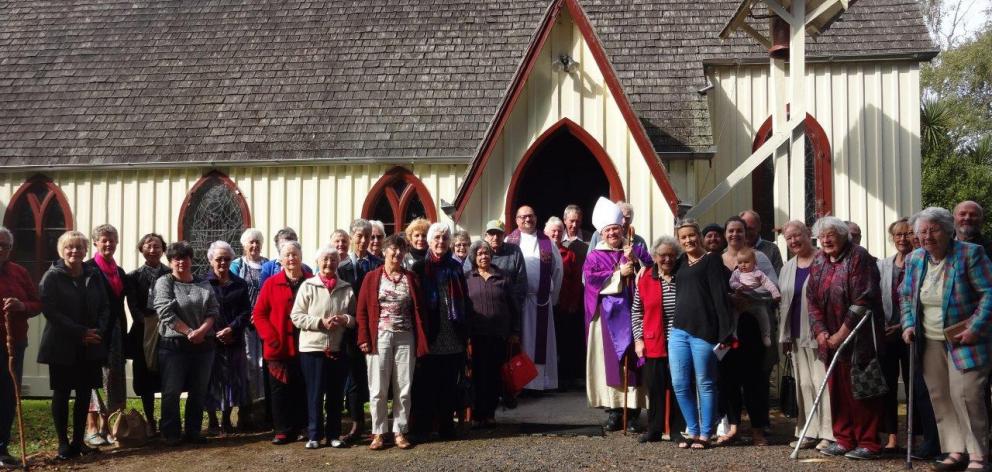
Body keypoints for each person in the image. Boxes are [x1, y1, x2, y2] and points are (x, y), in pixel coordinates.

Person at [902, 207, 992, 471]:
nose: (927, 236)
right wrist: (908, 324)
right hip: (928, 339)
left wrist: (975, 327)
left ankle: (978, 455)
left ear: (948, 230)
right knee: (940, 395)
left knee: (967, 395)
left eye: (934, 229)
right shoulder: (915, 258)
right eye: (922, 231)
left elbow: (989, 293)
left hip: (966, 339)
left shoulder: (970, 253)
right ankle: (955, 450)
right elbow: (907, 296)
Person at [807, 216, 885, 460]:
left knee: (861, 390)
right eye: (822, 236)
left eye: (831, 235)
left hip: (858, 338)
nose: (826, 240)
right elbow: (812, 299)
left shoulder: (858, 256)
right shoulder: (819, 259)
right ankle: (844, 438)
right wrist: (821, 331)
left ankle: (869, 443)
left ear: (844, 236)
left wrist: (842, 334)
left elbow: (864, 298)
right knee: (836, 390)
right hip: (829, 338)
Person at [583, 197, 652, 432]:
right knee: (610, 364)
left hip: (634, 314)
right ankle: (614, 412)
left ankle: (632, 414)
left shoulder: (637, 249)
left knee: (634, 363)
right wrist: (618, 273)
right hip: (607, 318)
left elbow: (653, 273)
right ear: (602, 234)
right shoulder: (594, 255)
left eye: (616, 229)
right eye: (608, 230)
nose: (613, 233)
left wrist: (637, 262)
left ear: (623, 229)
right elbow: (591, 281)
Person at [38, 231, 109, 460]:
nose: (74, 251)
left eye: (79, 247)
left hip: (90, 345)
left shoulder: (94, 274)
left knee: (84, 394)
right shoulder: (52, 276)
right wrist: (81, 333)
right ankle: (63, 443)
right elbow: (51, 312)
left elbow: (105, 306)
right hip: (62, 346)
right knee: (61, 394)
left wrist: (98, 330)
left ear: (86, 250)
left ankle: (79, 442)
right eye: (69, 247)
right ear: (61, 251)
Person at [357, 234, 429, 451]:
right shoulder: (372, 277)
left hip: (406, 337)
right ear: (385, 251)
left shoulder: (411, 278)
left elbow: (420, 310)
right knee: (378, 387)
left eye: (401, 251)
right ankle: (378, 433)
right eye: (393, 250)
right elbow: (361, 311)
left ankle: (399, 431)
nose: (397, 254)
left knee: (404, 387)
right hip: (380, 337)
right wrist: (363, 338)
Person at [667, 218, 733, 449]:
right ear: (679, 240)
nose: (688, 240)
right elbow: (658, 267)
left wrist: (726, 333)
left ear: (699, 236)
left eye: (691, 235)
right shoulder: (680, 262)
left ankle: (706, 433)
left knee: (705, 383)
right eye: (683, 237)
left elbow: (720, 296)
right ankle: (692, 430)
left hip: (705, 332)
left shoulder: (712, 260)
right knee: (680, 383)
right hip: (678, 332)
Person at [878, 218, 939, 456]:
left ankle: (918, 438)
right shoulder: (883, 265)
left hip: (913, 333)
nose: (903, 239)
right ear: (892, 238)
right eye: (898, 235)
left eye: (907, 234)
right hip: (887, 335)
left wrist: (903, 324)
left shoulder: (923, 262)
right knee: (888, 386)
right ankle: (893, 437)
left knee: (916, 386)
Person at [718, 216, 777, 446]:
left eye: (739, 231)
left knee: (755, 379)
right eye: (731, 230)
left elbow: (773, 288)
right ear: (725, 234)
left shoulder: (759, 257)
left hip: (753, 324)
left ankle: (758, 430)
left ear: (746, 233)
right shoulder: (717, 259)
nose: (735, 235)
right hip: (728, 328)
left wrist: (748, 297)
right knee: (729, 378)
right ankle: (734, 427)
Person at [777, 221, 835, 451]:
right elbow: (783, 304)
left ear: (808, 235)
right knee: (804, 384)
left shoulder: (824, 260)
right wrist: (784, 336)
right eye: (788, 238)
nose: (793, 241)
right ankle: (808, 431)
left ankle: (828, 433)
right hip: (796, 335)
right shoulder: (787, 267)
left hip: (820, 334)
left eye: (797, 235)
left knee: (822, 384)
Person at [153, 241, 218, 446]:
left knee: (198, 391)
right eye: (176, 258)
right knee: (171, 391)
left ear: (191, 260)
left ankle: (193, 431)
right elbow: (164, 311)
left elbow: (213, 311)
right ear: (170, 262)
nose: (181, 262)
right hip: (174, 346)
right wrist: (189, 332)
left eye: (184, 257)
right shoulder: (165, 282)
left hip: (204, 345)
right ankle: (171, 433)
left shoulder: (203, 283)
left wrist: (201, 332)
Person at [409, 223, 469, 441]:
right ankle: (423, 428)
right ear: (429, 241)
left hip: (452, 333)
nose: (440, 242)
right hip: (430, 333)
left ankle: (446, 427)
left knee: (449, 384)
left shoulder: (456, 266)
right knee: (426, 384)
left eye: (444, 238)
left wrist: (465, 331)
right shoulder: (419, 267)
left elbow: (465, 299)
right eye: (437, 238)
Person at [291, 245, 354, 449]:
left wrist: (345, 319)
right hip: (312, 349)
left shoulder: (346, 288)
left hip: (337, 348)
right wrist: (320, 322)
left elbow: (355, 318)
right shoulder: (308, 286)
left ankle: (334, 434)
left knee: (335, 394)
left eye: (333, 260)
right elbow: (296, 316)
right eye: (325, 260)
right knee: (315, 394)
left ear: (338, 262)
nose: (329, 264)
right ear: (318, 262)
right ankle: (314, 435)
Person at [253, 240, 311, 445]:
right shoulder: (271, 283)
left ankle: (304, 426)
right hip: (278, 345)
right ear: (281, 260)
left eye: (295, 254)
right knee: (279, 389)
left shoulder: (311, 281)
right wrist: (270, 337)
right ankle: (282, 430)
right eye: (287, 255)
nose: (291, 259)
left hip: (306, 344)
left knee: (303, 387)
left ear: (301, 257)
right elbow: (259, 314)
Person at [631, 236, 686, 443]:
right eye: (663, 256)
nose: (667, 260)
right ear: (654, 257)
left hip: (680, 342)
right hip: (654, 342)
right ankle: (654, 429)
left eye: (672, 255)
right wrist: (638, 339)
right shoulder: (646, 280)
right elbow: (636, 312)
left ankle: (676, 429)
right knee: (655, 387)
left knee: (678, 386)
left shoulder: (683, 278)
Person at [505, 206, 563, 391]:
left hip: (541, 303)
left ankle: (539, 383)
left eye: (530, 216)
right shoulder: (509, 241)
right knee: (521, 342)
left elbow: (557, 270)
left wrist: (551, 297)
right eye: (523, 217)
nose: (527, 220)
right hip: (518, 304)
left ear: (536, 218)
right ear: (516, 220)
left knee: (540, 345)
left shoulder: (546, 242)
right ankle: (521, 383)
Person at [337, 219, 382, 444]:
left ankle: (378, 423)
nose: (364, 241)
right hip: (350, 330)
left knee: (376, 376)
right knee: (355, 377)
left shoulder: (379, 264)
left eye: (368, 236)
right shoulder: (341, 266)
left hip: (376, 327)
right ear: (352, 237)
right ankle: (356, 423)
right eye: (360, 236)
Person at [465, 240, 520, 427]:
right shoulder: (467, 278)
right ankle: (477, 415)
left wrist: (514, 330)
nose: (484, 256)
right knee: (478, 376)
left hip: (499, 335)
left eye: (486, 253)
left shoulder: (502, 277)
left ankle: (490, 414)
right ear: (473, 257)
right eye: (480, 253)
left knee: (495, 376)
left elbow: (514, 306)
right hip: (476, 336)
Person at [0, 227, 41, 466]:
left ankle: (2, 449)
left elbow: (36, 303)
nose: (1, 249)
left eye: (5, 245)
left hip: (14, 344)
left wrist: (21, 306)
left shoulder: (19, 272)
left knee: (7, 396)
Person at [83, 224, 127, 447]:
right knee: (94, 378)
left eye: (112, 240)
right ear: (95, 243)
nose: (108, 244)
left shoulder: (119, 272)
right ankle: (91, 428)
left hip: (116, 331)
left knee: (114, 379)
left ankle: (107, 426)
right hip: (96, 331)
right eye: (103, 240)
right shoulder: (88, 269)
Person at [124, 233, 169, 437]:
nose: (153, 250)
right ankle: (150, 420)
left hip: (168, 331)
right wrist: (149, 323)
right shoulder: (133, 277)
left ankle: (168, 419)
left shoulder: (170, 273)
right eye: (149, 246)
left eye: (157, 246)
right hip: (143, 333)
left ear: (163, 249)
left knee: (169, 376)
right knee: (145, 378)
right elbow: (133, 306)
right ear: (142, 249)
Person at [205, 241, 251, 436]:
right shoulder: (203, 283)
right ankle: (213, 421)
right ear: (210, 261)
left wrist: (231, 329)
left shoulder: (240, 284)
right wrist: (215, 332)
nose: (223, 263)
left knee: (233, 381)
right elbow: (201, 312)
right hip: (210, 340)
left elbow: (245, 312)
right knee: (211, 381)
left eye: (226, 259)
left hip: (234, 340)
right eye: (218, 259)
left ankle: (226, 420)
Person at [229, 227, 268, 429]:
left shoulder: (268, 264)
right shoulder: (236, 265)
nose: (254, 246)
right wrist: (248, 314)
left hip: (264, 320)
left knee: (263, 363)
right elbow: (233, 290)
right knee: (248, 362)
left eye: (257, 242)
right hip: (243, 322)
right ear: (244, 245)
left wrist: (260, 314)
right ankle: (246, 406)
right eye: (251, 242)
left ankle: (263, 406)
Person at [547, 217, 585, 389]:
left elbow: (577, 281)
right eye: (553, 231)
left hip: (564, 305)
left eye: (559, 231)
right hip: (545, 305)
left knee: (565, 342)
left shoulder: (569, 254)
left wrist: (573, 302)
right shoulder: (542, 251)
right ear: (546, 231)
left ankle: (565, 378)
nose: (556, 234)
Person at [729, 247, 781, 347]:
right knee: (734, 315)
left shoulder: (758, 273)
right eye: (740, 262)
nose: (743, 265)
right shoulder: (737, 273)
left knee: (763, 316)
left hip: (756, 302)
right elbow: (731, 282)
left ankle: (766, 335)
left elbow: (769, 284)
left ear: (754, 262)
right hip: (741, 299)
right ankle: (734, 334)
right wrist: (738, 286)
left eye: (746, 262)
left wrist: (775, 293)